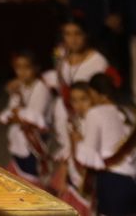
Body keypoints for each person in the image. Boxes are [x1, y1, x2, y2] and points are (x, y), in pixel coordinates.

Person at [46, 19, 111, 183]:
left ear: (86, 35)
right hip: (64, 114)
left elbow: (104, 97)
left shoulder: (98, 62)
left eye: (77, 34)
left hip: (86, 118)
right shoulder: (59, 53)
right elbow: (56, 72)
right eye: (67, 34)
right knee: (67, 154)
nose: (72, 39)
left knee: (85, 163)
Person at [70, 73, 136, 216]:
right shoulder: (130, 112)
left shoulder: (95, 113)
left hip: (113, 182)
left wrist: (77, 142)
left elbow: (88, 157)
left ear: (96, 93)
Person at [0, 50, 53, 187]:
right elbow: (11, 110)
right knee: (19, 171)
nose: (22, 72)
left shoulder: (41, 89)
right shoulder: (20, 86)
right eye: (18, 68)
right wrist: (16, 114)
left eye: (26, 67)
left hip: (34, 143)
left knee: (31, 179)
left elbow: (34, 117)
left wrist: (17, 115)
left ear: (36, 68)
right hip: (20, 140)